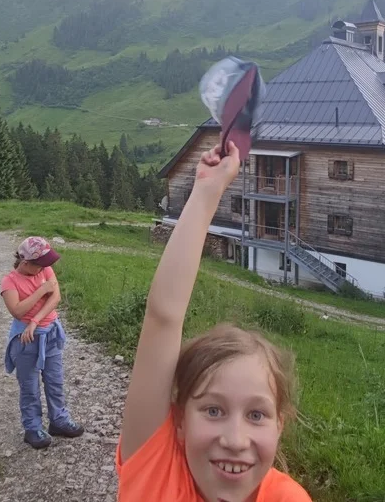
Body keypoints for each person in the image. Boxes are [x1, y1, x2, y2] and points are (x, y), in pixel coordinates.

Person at [116, 142, 312, 501]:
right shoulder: (157, 478)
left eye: (256, 415)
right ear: (178, 422)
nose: (234, 440)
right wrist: (207, 191)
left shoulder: (289, 499)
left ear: (280, 426)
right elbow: (163, 317)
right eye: (213, 410)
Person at [1, 236, 85, 449]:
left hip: (50, 334)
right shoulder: (9, 282)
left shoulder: (45, 269)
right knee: (29, 387)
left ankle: (59, 420)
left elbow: (55, 297)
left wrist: (35, 321)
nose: (45, 267)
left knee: (55, 381)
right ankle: (32, 428)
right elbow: (18, 311)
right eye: (39, 264)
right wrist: (42, 290)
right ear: (25, 262)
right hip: (25, 341)